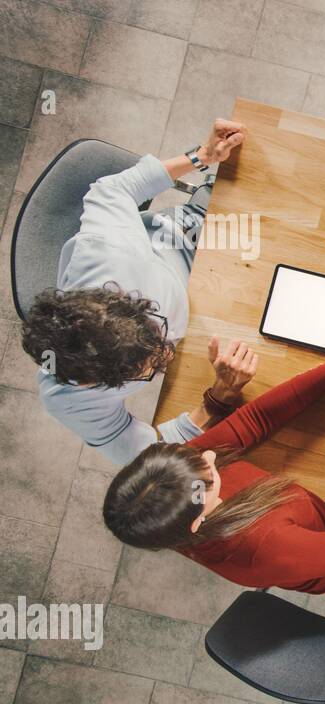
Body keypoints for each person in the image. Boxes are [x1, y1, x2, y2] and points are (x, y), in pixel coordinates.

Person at [101, 351, 325, 598]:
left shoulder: (179, 483)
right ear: (196, 521)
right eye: (209, 473)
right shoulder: (262, 549)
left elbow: (253, 421)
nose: (207, 453)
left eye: (192, 455)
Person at [20, 119, 258, 465]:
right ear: (95, 384)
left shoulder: (107, 249)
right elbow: (148, 455)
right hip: (207, 320)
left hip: (188, 237)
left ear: (124, 299)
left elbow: (113, 188)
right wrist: (217, 397)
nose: (168, 356)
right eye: (151, 367)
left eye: (156, 341)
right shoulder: (67, 398)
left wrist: (203, 155)